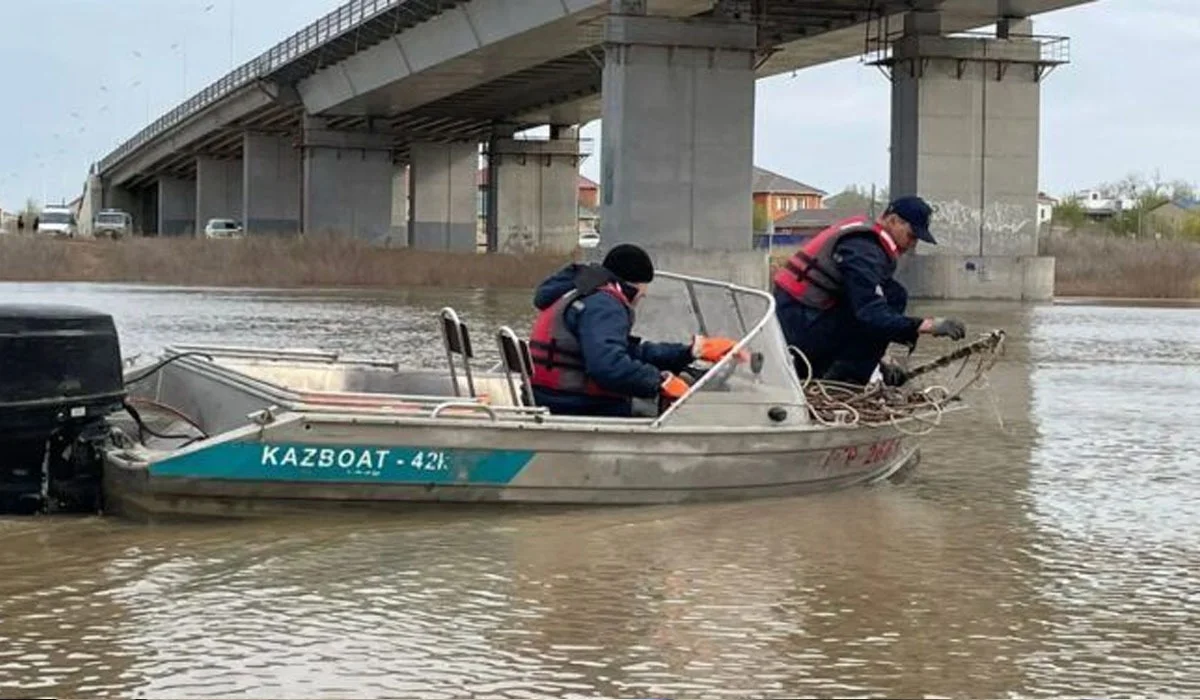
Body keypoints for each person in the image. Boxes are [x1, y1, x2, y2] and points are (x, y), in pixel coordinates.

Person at [772, 195, 967, 387]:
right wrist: (928, 325)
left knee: (894, 293)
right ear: (893, 220)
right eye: (911, 235)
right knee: (890, 301)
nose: (913, 244)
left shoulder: (865, 241)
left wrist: (880, 363)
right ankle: (844, 385)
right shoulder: (863, 250)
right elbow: (870, 312)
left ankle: (851, 375)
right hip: (799, 328)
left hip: (805, 320)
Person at [528, 243, 742, 417]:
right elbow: (608, 367)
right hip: (576, 403)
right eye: (645, 286)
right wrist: (660, 381)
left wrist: (688, 352)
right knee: (674, 414)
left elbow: (624, 352)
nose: (645, 294)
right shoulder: (605, 305)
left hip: (551, 395)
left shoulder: (583, 294)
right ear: (636, 284)